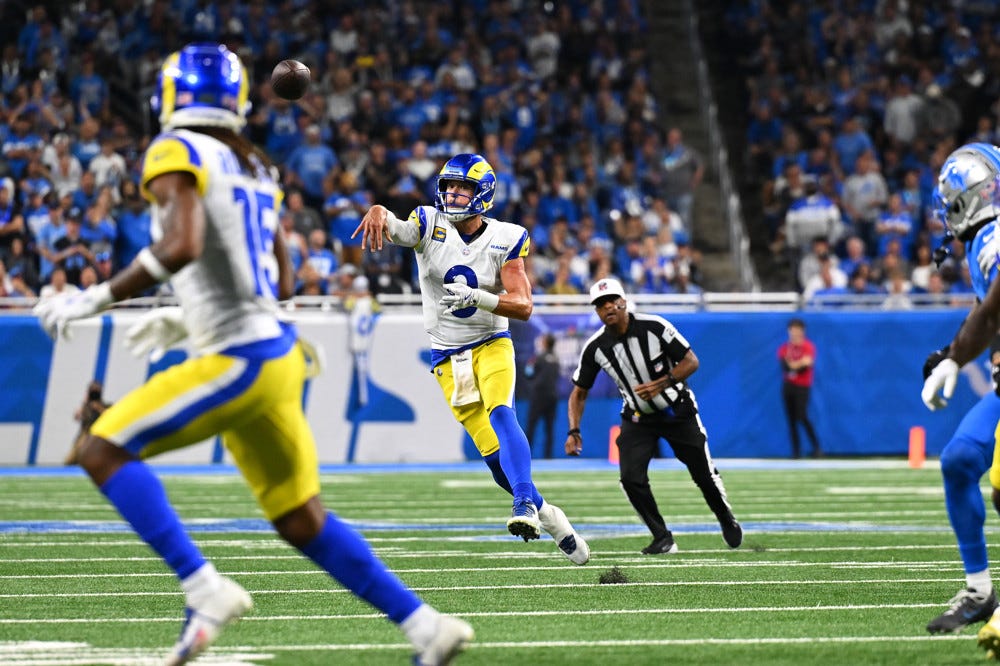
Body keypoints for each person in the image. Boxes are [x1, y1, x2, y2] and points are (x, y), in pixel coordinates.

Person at [32, 44, 472, 666]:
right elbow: (280, 281)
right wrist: (189, 316)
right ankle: (426, 626)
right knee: (300, 519)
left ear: (172, 95)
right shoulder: (256, 165)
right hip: (275, 352)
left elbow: (182, 244)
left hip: (241, 356)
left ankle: (203, 587)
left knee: (102, 449)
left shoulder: (176, 149)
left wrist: (95, 298)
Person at [352, 152, 589, 565]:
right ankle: (549, 515)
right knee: (495, 461)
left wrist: (479, 297)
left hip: (490, 342)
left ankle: (523, 504)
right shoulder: (428, 223)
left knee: (501, 411)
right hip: (448, 355)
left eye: (463, 187)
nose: (453, 194)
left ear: (483, 194)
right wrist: (377, 210)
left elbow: (524, 305)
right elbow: (398, 229)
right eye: (449, 186)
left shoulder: (505, 237)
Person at [565, 277, 742, 554]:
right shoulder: (596, 347)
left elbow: (691, 361)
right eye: (600, 304)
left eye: (612, 300)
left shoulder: (654, 326)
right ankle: (662, 537)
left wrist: (662, 383)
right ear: (596, 311)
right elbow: (579, 392)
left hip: (676, 410)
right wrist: (574, 430)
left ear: (623, 301)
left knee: (703, 474)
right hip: (638, 417)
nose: (607, 307)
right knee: (630, 478)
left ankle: (724, 516)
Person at [921, 143, 1000, 651]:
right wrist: (952, 352)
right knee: (959, 461)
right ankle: (980, 591)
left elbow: (994, 306)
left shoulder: (994, 237)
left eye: (952, 203)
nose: (948, 215)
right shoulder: (983, 243)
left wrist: (955, 359)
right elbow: (986, 310)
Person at [777, 318, 823, 458]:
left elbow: (806, 364)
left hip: (802, 386)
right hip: (788, 385)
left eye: (798, 329)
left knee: (801, 415)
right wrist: (798, 363)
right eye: (793, 329)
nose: (795, 332)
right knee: (791, 419)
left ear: (803, 331)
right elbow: (786, 367)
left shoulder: (808, 346)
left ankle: (816, 447)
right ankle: (796, 451)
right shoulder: (784, 348)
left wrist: (794, 364)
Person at [525, 332, 560, 459]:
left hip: (538, 396)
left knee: (531, 425)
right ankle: (548, 457)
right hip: (552, 396)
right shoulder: (556, 359)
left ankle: (525, 455)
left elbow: (528, 373)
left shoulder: (538, 358)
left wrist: (529, 366)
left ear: (545, 343)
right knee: (549, 428)